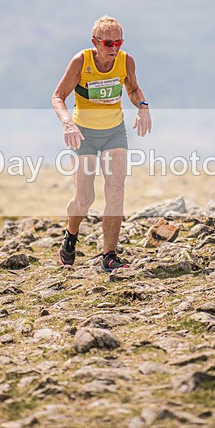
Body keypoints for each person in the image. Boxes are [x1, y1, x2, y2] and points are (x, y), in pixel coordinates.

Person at [51, 15, 152, 271]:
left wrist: (143, 107)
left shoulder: (126, 61)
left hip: (114, 133)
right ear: (95, 42)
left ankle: (109, 255)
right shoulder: (81, 61)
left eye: (118, 42)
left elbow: (133, 89)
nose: (114, 48)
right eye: (108, 43)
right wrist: (67, 123)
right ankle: (71, 235)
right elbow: (58, 96)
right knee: (84, 198)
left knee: (116, 190)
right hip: (83, 134)